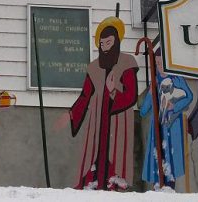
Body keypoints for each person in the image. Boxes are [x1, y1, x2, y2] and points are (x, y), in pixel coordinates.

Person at [57, 16, 138, 190]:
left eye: (109, 43)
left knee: (114, 153)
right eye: (102, 44)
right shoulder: (94, 67)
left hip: (118, 119)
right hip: (97, 119)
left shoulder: (127, 63)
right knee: (94, 152)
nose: (106, 47)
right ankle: (92, 182)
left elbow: (131, 95)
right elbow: (85, 96)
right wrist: (71, 114)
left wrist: (114, 91)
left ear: (116, 42)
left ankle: (112, 183)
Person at [141, 48, 194, 189]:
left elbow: (189, 96)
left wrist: (174, 107)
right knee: (157, 155)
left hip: (172, 126)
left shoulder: (177, 79)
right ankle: (157, 185)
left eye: (162, 63)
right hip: (157, 126)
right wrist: (150, 94)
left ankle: (170, 185)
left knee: (171, 157)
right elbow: (143, 110)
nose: (159, 67)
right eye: (157, 63)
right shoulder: (155, 82)